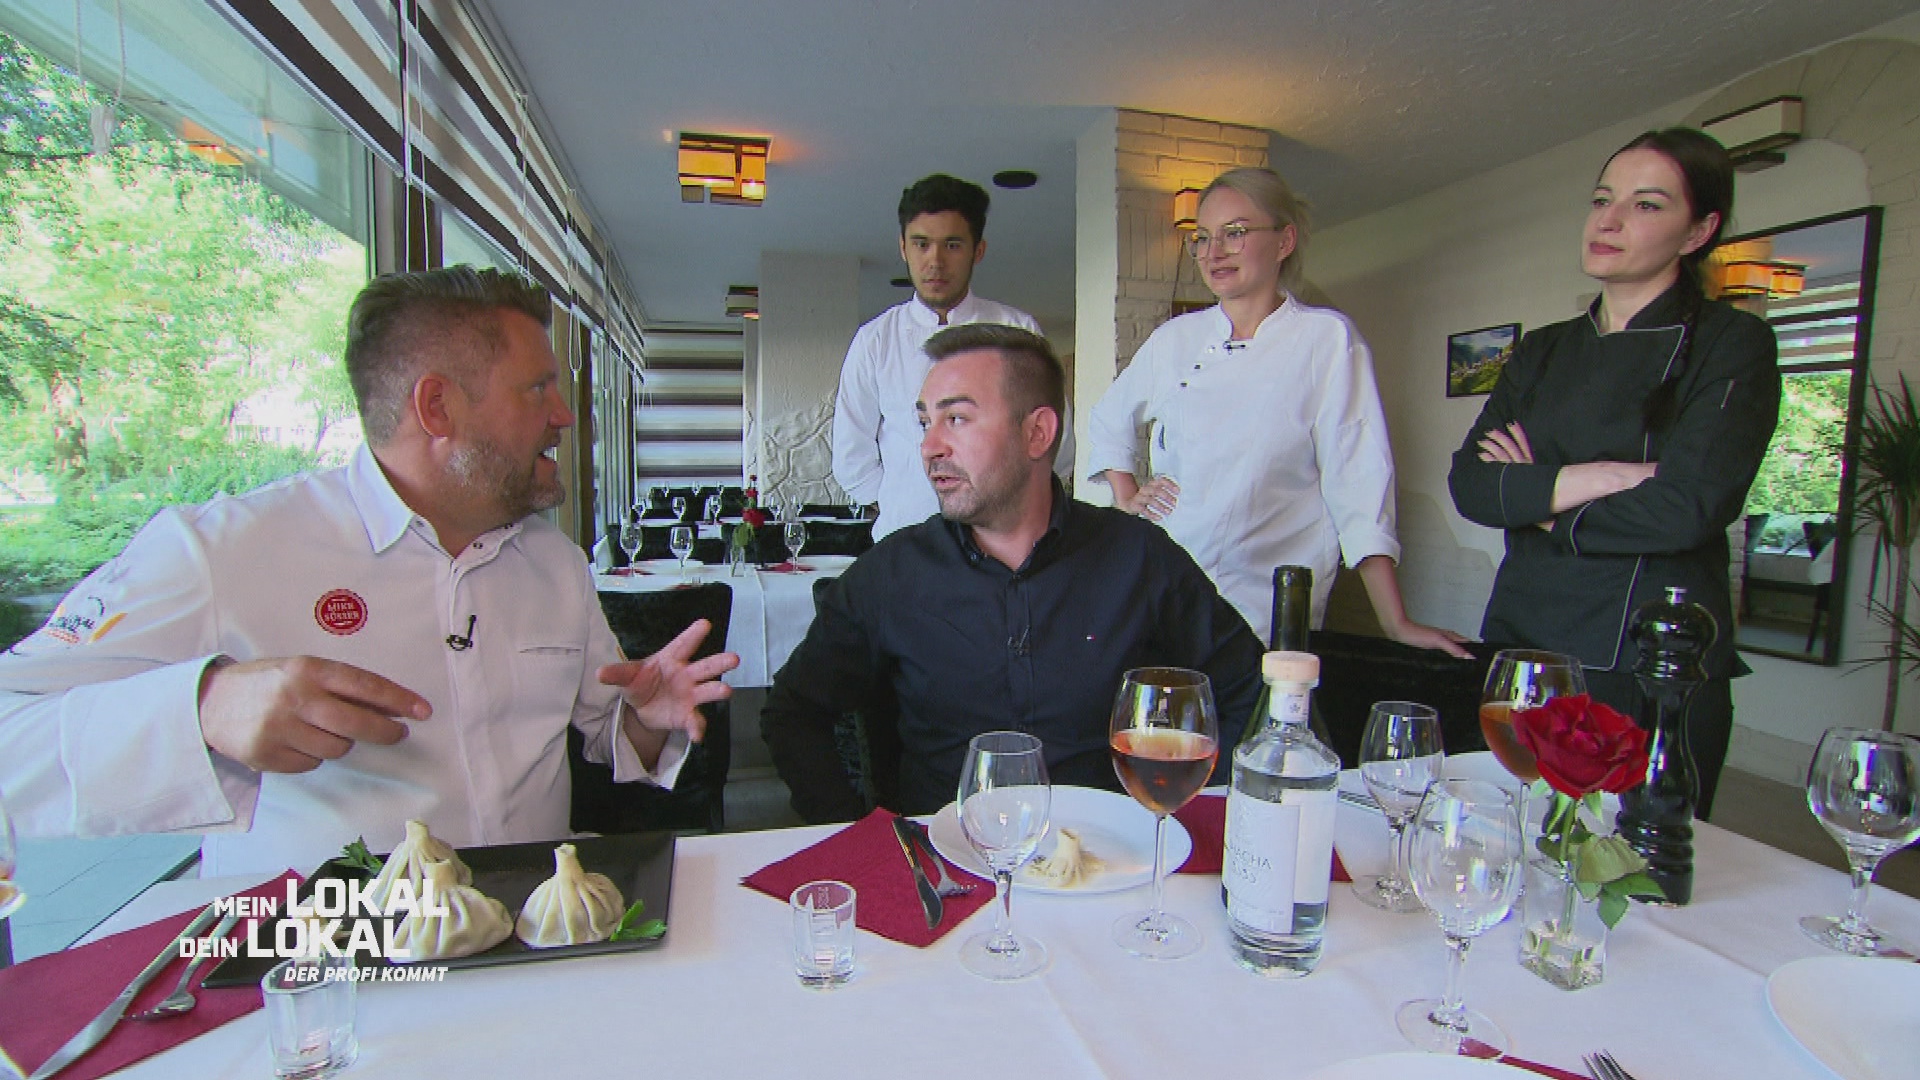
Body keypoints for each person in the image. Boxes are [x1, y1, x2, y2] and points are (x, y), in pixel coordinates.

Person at [0, 267, 738, 875]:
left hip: (536, 944)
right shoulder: (224, 551)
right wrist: (203, 706)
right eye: (536, 389)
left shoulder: (556, 563)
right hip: (328, 975)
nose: (565, 416)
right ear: (437, 406)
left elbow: (607, 732)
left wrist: (644, 722)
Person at [766, 323, 1265, 823]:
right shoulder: (891, 574)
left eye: (956, 419)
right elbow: (793, 711)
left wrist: (1187, 821)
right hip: (946, 860)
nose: (929, 446)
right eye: (924, 423)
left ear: (1037, 433)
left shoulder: (1139, 559)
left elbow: (1250, 689)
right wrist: (857, 837)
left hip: (1107, 856)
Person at [1448, 129, 1781, 818]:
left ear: (1700, 231)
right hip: (1521, 645)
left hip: (1648, 664)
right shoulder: (1542, 351)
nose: (1609, 219)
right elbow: (1472, 485)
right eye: (1603, 199)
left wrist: (1538, 500)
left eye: (1646, 204)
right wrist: (1600, 475)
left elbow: (1687, 507)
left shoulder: (1732, 343)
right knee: (1504, 842)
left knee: (1628, 866)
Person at [1085, 167, 1467, 657]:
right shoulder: (1174, 340)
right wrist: (1127, 498)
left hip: (1268, 605)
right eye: (1202, 237)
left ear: (1284, 240)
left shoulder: (1326, 339)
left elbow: (1358, 477)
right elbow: (1108, 419)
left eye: (1235, 233)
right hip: (1167, 586)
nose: (1213, 252)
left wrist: (1395, 622)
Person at [832, 173, 1074, 540]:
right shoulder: (875, 340)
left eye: (953, 245)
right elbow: (851, 456)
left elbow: (1058, 443)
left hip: (1004, 544)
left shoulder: (1017, 331)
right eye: (922, 244)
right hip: (908, 541)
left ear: (978, 250)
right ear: (903, 248)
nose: (935, 261)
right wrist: (902, 503)